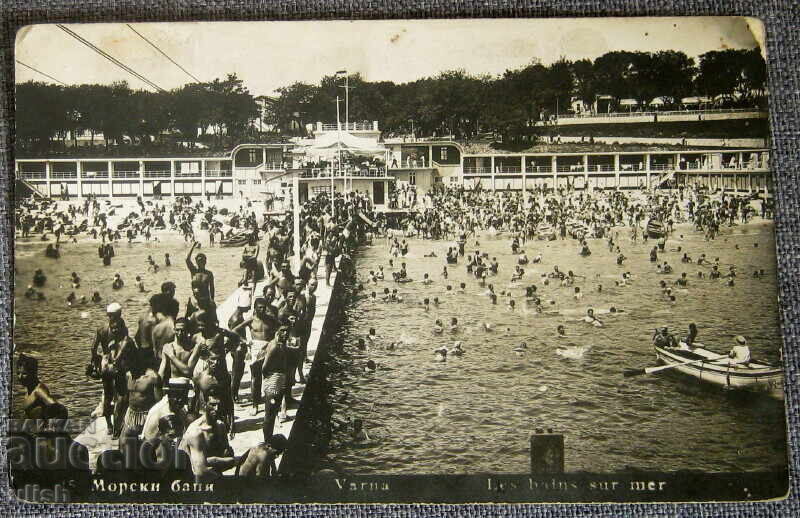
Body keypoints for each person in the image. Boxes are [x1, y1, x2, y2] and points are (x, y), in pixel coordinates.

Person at [120, 347, 162, 440]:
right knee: (122, 442)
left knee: (145, 446)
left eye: (126, 363)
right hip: (131, 414)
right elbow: (126, 399)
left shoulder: (152, 377)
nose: (124, 366)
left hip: (147, 415)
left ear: (134, 360)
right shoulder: (127, 375)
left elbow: (160, 404)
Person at [141, 377, 191, 441]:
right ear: (169, 395)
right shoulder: (157, 412)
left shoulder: (181, 409)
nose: (180, 400)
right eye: (177, 396)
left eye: (183, 396)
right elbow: (147, 442)